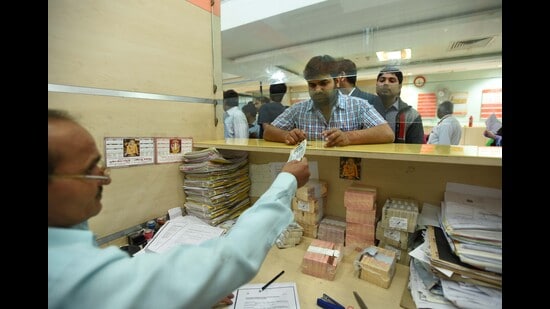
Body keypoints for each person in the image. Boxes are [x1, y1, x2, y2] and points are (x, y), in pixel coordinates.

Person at [48, 108, 311, 308]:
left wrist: (187, 296)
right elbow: (228, 258)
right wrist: (286, 181)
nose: (105, 178)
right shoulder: (65, 274)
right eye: (89, 170)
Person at [263, 55, 394, 146]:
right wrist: (286, 135)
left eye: (323, 83)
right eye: (312, 85)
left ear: (337, 81)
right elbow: (268, 132)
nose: (317, 89)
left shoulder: (358, 105)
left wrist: (348, 137)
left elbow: (387, 133)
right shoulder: (297, 109)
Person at [371, 66, 425, 144]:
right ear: (376, 85)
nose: (386, 83)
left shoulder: (411, 115)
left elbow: (416, 150)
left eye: (392, 80)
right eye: (382, 80)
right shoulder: (365, 109)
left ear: (400, 87)